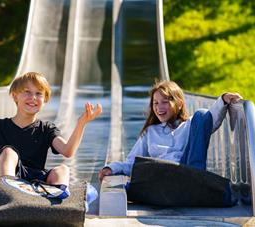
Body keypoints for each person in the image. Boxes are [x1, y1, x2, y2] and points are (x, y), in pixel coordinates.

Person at [98, 80, 242, 205]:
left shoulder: (190, 125)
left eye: (165, 102)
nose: (159, 107)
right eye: (155, 103)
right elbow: (132, 163)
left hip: (187, 173)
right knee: (146, 169)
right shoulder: (150, 132)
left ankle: (196, 183)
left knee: (202, 114)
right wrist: (112, 168)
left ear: (179, 104)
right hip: (163, 179)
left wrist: (223, 99)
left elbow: (210, 120)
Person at [0, 72, 102, 189]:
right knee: (8, 153)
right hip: (5, 179)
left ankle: (56, 201)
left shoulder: (46, 128)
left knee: (63, 170)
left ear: (45, 99)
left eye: (39, 93)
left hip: (34, 182)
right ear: (15, 96)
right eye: (27, 92)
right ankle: (7, 193)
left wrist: (81, 124)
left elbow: (68, 151)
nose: (33, 98)